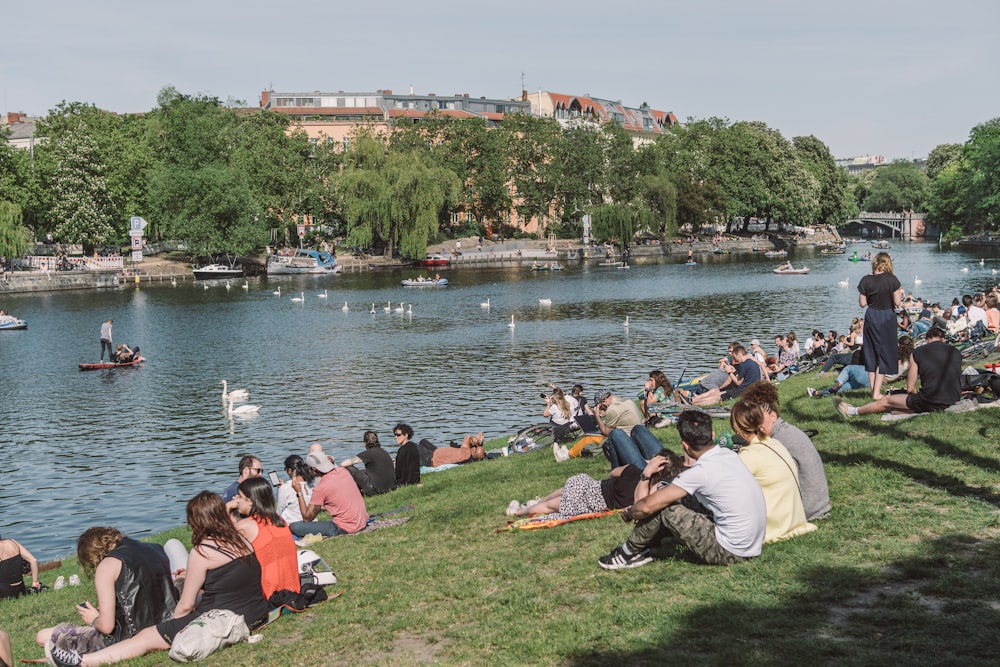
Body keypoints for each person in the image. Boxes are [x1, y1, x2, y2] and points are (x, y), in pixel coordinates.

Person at [46, 493, 268, 667]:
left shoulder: (203, 552)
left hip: (222, 617)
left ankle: (82, 662)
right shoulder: (242, 541)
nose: (189, 527)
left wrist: (170, 624)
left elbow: (186, 605)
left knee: (144, 638)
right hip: (255, 612)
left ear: (199, 521)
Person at [596, 410, 766, 570]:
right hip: (753, 544)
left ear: (684, 446)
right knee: (682, 499)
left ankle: (628, 553)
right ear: (712, 436)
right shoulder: (729, 455)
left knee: (664, 508)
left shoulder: (699, 472)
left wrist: (629, 513)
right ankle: (651, 543)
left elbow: (647, 506)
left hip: (731, 552)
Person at [36, 528, 179, 656]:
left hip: (127, 638)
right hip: (166, 628)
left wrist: (93, 619)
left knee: (42, 636)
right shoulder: (155, 548)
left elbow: (106, 626)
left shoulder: (108, 564)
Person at [736, 383, 831, 521]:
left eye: (758, 418)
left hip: (805, 510)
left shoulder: (779, 440)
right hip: (818, 506)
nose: (755, 424)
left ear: (773, 416)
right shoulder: (788, 431)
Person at [729, 400, 817, 543]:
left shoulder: (749, 455)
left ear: (737, 428)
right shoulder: (775, 443)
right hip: (796, 520)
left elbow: (728, 489)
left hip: (775, 528)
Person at [507, 450, 686, 518]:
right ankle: (529, 507)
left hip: (593, 488)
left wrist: (640, 470)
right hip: (596, 501)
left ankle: (519, 511)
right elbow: (642, 501)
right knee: (554, 504)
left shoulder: (633, 471)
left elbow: (612, 473)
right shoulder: (652, 492)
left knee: (559, 496)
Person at [834, 326, 963, 417]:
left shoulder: (918, 352)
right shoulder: (956, 352)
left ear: (927, 339)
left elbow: (910, 388)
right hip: (954, 397)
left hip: (931, 400)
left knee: (887, 400)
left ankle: (851, 411)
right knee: (899, 405)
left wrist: (915, 395)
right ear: (943, 339)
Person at [228, 478, 299, 600]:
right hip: (292, 589)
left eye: (240, 496)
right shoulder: (279, 520)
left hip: (268, 594)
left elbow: (219, 541)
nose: (237, 500)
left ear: (250, 501)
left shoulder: (247, 526)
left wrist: (227, 507)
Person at [289, 452, 369, 538]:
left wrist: (299, 492)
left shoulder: (321, 488)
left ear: (314, 470)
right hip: (362, 521)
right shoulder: (343, 471)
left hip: (344, 528)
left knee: (294, 527)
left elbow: (307, 518)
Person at [857, 252, 904, 399]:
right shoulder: (892, 280)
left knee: (871, 353)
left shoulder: (866, 280)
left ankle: (873, 391)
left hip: (871, 315)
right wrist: (900, 294)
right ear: (888, 263)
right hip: (886, 317)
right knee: (884, 353)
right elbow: (897, 303)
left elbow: (862, 304)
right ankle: (876, 393)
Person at [808, 336, 914, 399]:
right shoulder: (909, 364)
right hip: (879, 383)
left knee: (848, 368)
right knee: (844, 388)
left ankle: (834, 387)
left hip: (871, 377)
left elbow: (877, 366)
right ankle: (817, 393)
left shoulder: (892, 357)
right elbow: (906, 377)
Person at [592, 389, 663, 469]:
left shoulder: (612, 409)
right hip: (640, 434)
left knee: (613, 436)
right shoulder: (628, 401)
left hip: (628, 439)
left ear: (604, 401)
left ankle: (616, 471)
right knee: (637, 428)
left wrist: (597, 416)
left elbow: (605, 431)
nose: (602, 409)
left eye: (601, 407)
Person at [692, 344, 761, 406]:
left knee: (717, 397)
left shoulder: (743, 365)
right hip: (748, 389)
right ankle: (696, 399)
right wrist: (734, 372)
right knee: (715, 391)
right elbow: (743, 378)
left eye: (734, 357)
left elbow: (738, 382)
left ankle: (696, 403)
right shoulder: (753, 363)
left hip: (743, 391)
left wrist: (729, 372)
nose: (734, 360)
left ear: (739, 355)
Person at [339, 431, 396, 496]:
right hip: (389, 487)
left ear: (365, 443)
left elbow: (343, 464)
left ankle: (347, 492)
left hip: (375, 490)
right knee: (363, 471)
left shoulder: (367, 454)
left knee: (349, 467)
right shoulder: (384, 452)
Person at [275, 455, 314, 525]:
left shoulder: (285, 488)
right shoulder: (311, 485)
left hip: (291, 523)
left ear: (289, 470)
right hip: (312, 522)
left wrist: (282, 489)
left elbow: (279, 511)